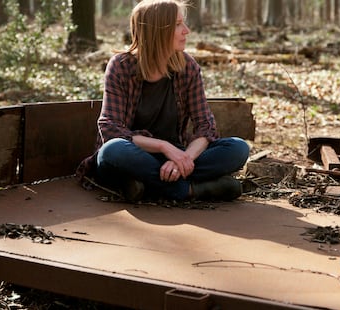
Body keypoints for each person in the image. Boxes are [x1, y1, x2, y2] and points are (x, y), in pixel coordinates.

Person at [76, 0, 249, 202]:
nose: (187, 30)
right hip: (134, 156)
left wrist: (183, 159)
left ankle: (148, 186)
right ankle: (188, 190)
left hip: (173, 157)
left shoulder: (188, 67)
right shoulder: (121, 66)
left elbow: (206, 127)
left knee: (238, 148)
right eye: (178, 24)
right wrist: (164, 147)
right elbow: (110, 129)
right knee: (112, 151)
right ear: (157, 30)